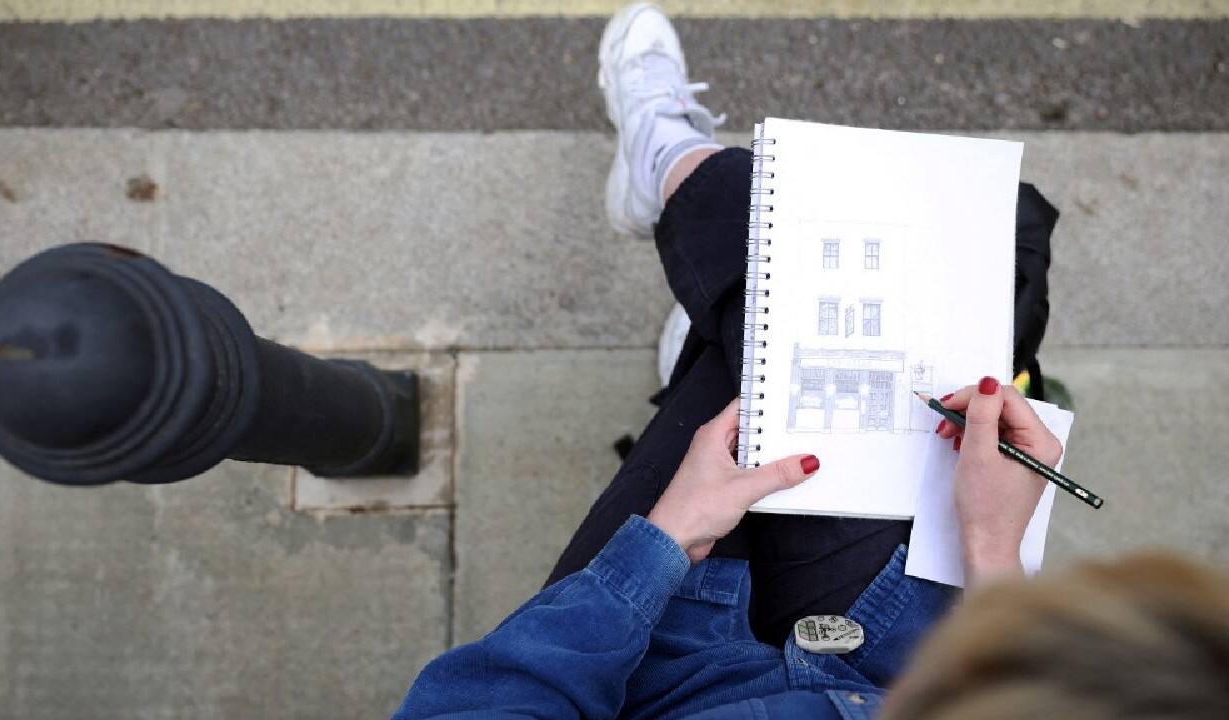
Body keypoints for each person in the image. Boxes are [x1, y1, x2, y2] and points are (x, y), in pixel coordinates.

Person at [396, 4, 1229, 718]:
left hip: (657, 670)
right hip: (903, 651)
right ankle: (690, 257)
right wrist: (994, 561)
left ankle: (669, 161)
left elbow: (484, 698)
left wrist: (666, 538)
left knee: (767, 294)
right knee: (991, 261)